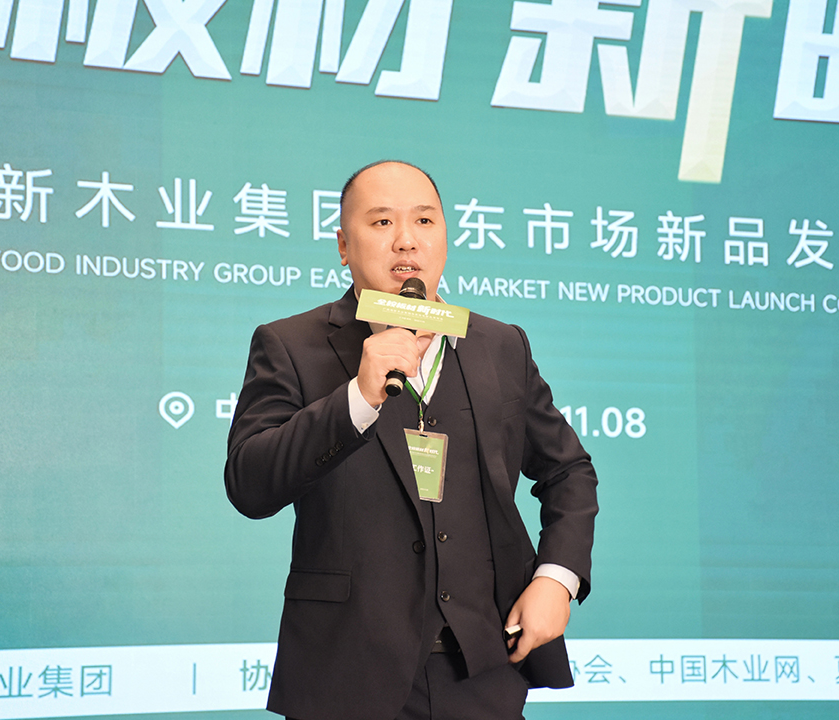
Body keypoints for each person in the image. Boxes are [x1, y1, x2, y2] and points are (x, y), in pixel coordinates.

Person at [225, 161, 598, 720]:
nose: (406, 239)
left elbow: (568, 471)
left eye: (424, 220)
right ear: (343, 246)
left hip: (483, 670)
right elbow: (250, 485)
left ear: (445, 236)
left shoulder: (500, 345)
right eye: (381, 222)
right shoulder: (290, 344)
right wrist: (357, 397)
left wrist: (556, 580)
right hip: (346, 676)